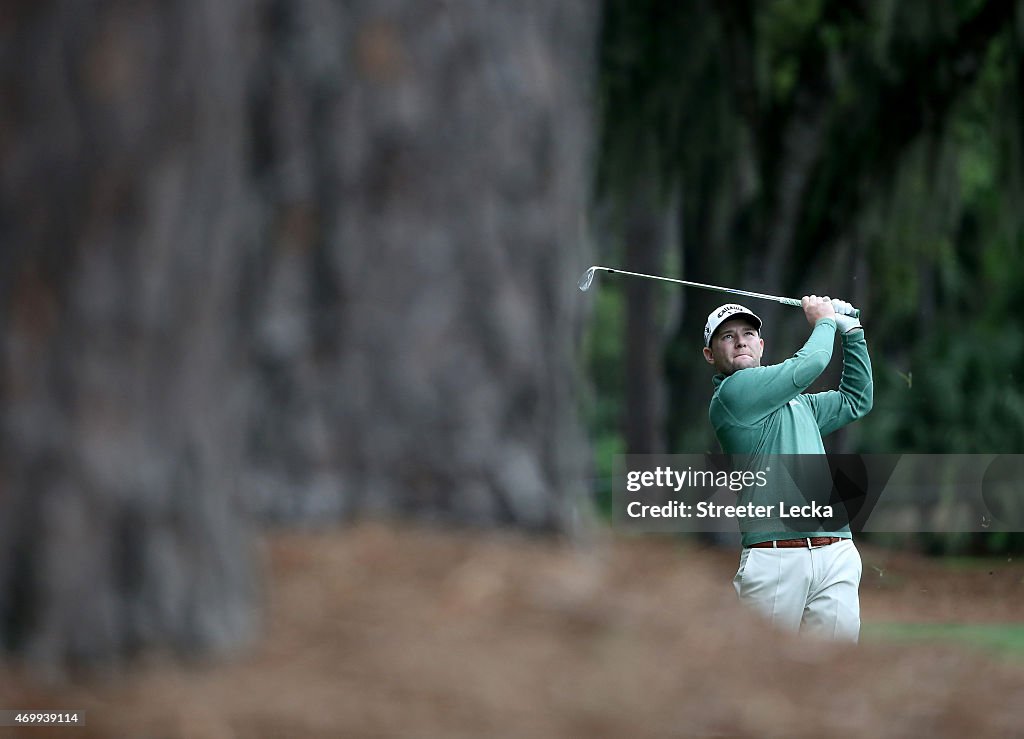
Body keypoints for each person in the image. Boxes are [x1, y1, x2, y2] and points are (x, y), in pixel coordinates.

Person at [702, 296, 873, 642]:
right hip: (775, 557)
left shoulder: (799, 404)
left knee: (834, 674)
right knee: (759, 676)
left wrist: (852, 331)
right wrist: (825, 321)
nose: (740, 341)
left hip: (835, 551)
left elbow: (857, 399)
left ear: (761, 345)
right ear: (710, 355)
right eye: (727, 336)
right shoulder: (732, 396)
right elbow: (810, 363)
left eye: (748, 334)